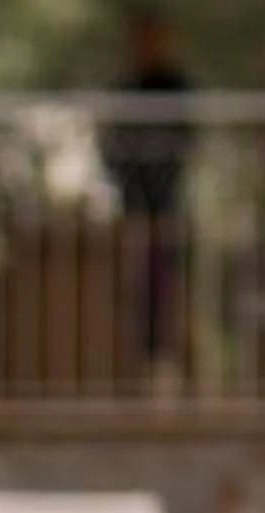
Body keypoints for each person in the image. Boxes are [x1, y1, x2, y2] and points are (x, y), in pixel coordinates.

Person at [101, 9, 196, 375]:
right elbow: (112, 146)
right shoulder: (125, 89)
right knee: (135, 285)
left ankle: (170, 359)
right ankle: (137, 359)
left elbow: (185, 143)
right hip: (133, 204)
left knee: (168, 283)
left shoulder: (179, 88)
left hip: (167, 203)